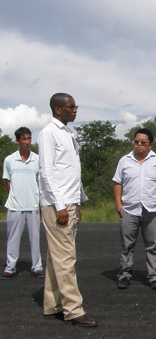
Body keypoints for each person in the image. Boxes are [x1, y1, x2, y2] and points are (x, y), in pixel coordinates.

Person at [38, 93, 97, 327]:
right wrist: (60, 205)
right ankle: (73, 309)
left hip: (69, 202)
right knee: (66, 257)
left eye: (75, 106)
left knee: (57, 256)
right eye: (70, 107)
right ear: (57, 109)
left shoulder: (69, 133)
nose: (75, 110)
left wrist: (77, 201)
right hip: (57, 204)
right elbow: (46, 172)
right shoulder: (48, 133)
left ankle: (52, 304)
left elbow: (71, 170)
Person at [113, 128, 156, 291]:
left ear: (150, 145)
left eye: (143, 142)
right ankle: (124, 275)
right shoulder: (124, 160)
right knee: (127, 246)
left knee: (152, 245)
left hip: (151, 210)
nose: (139, 144)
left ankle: (153, 277)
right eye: (136, 141)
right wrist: (119, 205)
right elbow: (118, 182)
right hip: (129, 209)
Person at [2, 127, 44, 280]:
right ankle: (10, 267)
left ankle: (37, 266)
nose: (27, 142)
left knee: (35, 238)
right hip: (15, 206)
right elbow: (7, 182)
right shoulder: (9, 160)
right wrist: (15, 197)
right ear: (18, 141)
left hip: (32, 205)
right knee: (13, 238)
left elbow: (39, 181)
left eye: (29, 138)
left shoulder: (37, 159)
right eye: (24, 139)